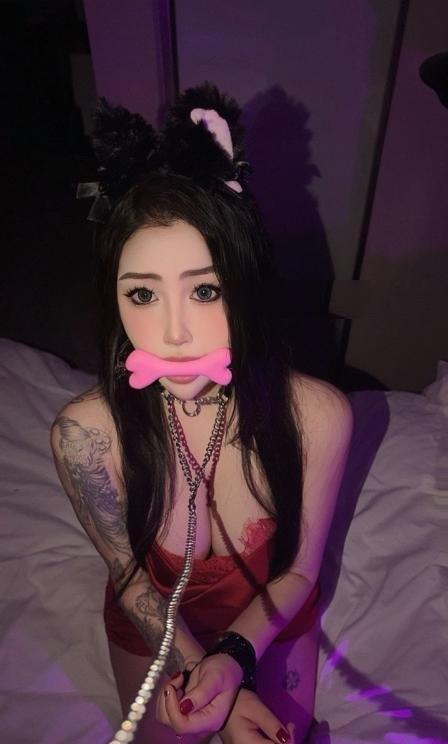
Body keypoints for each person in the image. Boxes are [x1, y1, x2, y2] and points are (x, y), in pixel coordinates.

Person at [50, 83, 353, 744]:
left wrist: (235, 661)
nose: (174, 333)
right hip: (156, 624)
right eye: (142, 295)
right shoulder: (85, 435)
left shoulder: (318, 415)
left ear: (244, 285)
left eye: (206, 290)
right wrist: (201, 671)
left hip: (271, 618)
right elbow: (130, 576)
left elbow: (300, 571)